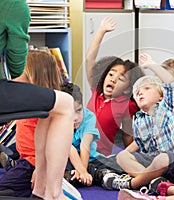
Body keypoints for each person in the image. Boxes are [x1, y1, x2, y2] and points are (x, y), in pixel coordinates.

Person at [102, 53, 174, 191]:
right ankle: (153, 182)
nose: (140, 93)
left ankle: (133, 184)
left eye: (146, 89)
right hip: (154, 165)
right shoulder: (139, 120)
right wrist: (114, 159)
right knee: (123, 156)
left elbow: (170, 83)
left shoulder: (169, 107)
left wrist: (152, 65)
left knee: (162, 158)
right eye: (137, 92)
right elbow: (140, 147)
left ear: (161, 96)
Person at [0, 50, 73, 199]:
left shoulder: (45, 113)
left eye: (19, 73)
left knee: (6, 185)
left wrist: (39, 170)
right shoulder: (29, 107)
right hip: (25, 159)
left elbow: (62, 146)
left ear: (33, 77)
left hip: (30, 164)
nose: (13, 78)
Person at [85, 16, 145, 156]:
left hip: (98, 155)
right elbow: (89, 59)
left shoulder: (126, 105)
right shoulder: (96, 93)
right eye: (111, 74)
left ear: (127, 89)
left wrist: (131, 157)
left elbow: (127, 134)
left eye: (121, 79)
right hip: (78, 147)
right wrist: (100, 31)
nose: (113, 80)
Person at [60, 82, 104, 187]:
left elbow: (85, 145)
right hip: (66, 158)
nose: (76, 118)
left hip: (89, 158)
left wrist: (82, 171)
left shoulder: (89, 117)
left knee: (110, 163)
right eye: (71, 113)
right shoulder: (58, 120)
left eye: (79, 110)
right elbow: (69, 148)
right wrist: (82, 171)